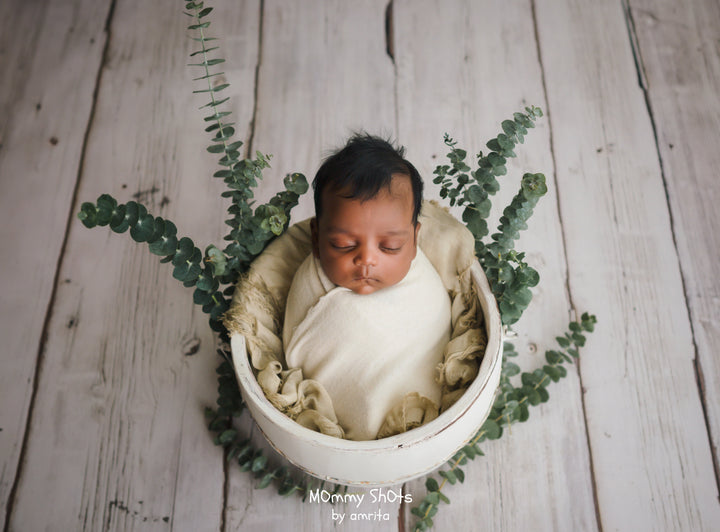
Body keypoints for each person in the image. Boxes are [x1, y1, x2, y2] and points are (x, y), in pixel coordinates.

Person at [282, 134, 452, 440]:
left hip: (427, 423)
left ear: (414, 240)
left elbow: (436, 325)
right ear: (316, 238)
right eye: (343, 245)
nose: (366, 260)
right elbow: (297, 354)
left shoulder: (423, 283)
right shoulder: (309, 282)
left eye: (389, 247)